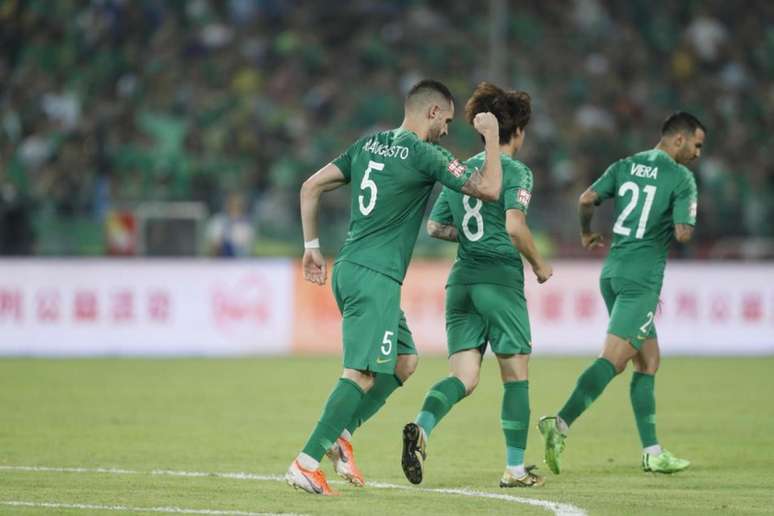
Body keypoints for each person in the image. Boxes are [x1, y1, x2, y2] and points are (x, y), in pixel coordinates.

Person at [287, 79, 504, 496]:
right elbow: (491, 189)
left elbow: (309, 186)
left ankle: (341, 433)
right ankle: (307, 460)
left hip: (352, 266)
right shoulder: (426, 154)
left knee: (404, 361)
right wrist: (492, 138)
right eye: (447, 121)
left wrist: (311, 248)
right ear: (433, 113)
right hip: (375, 276)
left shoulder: (366, 146)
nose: (447, 130)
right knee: (362, 373)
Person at [400, 82, 553, 489]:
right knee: (515, 375)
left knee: (463, 377)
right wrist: (539, 265)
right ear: (517, 131)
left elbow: (435, 226)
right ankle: (515, 470)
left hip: (461, 283)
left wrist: (473, 237)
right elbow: (516, 227)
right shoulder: (517, 171)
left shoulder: (461, 169)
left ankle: (422, 426)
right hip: (499, 281)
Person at [538, 112, 706, 475]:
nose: (697, 153)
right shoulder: (681, 178)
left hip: (612, 272)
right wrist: (688, 211)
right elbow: (683, 233)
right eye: (696, 144)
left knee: (648, 361)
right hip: (641, 280)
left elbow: (586, 199)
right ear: (678, 140)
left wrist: (586, 233)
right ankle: (560, 423)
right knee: (613, 361)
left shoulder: (625, 165)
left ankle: (652, 451)